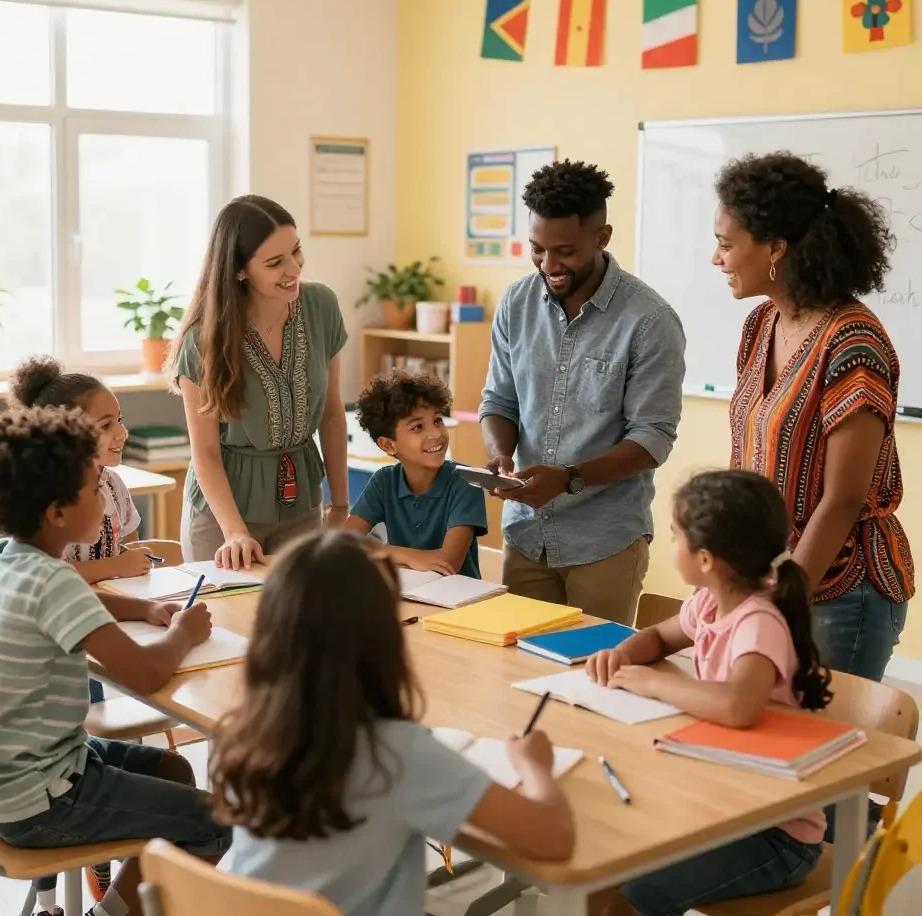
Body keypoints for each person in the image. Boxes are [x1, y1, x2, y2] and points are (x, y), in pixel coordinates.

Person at [210, 530, 575, 915]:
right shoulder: (395, 754)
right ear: (383, 638)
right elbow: (555, 839)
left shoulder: (242, 731)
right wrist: (535, 767)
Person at [0, 407, 228, 916]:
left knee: (174, 772)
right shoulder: (55, 580)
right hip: (41, 800)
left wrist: (145, 607)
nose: (105, 499)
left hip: (14, 781)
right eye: (94, 488)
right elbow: (147, 673)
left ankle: (125, 900)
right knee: (215, 819)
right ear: (58, 512)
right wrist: (182, 633)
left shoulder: (6, 557)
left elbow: (85, 603)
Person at [587, 469, 831, 916]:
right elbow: (660, 638)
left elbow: (739, 707)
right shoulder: (708, 601)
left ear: (705, 560)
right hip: (717, 803)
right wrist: (622, 653)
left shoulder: (758, 621)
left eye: (677, 535)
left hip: (773, 834)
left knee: (631, 890)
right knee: (597, 861)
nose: (671, 542)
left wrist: (656, 683)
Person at [714, 151, 914, 683]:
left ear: (776, 248)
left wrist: (785, 599)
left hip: (838, 590)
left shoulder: (852, 340)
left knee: (815, 755)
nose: (717, 259)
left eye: (727, 244)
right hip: (770, 581)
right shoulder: (762, 324)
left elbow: (844, 498)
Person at [479, 159, 686, 624]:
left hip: (605, 543)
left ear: (602, 237)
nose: (549, 265)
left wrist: (570, 477)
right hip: (525, 536)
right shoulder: (516, 301)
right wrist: (498, 454)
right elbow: (498, 401)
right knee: (513, 673)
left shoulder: (650, 321)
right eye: (537, 249)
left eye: (565, 252)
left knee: (591, 681)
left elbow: (653, 438)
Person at [168, 195, 349, 570]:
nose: (293, 269)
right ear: (239, 270)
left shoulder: (322, 307)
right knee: (227, 627)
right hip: (222, 520)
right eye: (274, 262)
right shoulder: (202, 341)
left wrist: (341, 505)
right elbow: (205, 453)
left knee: (298, 625)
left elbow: (332, 413)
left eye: (296, 252)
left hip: (302, 508)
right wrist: (235, 532)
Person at [346, 370, 488, 577]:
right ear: (388, 444)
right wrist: (411, 556)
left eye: (438, 420)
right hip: (406, 593)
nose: (436, 434)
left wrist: (383, 555)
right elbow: (345, 542)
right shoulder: (384, 481)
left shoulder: (466, 481)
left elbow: (446, 565)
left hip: (458, 602)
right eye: (418, 427)